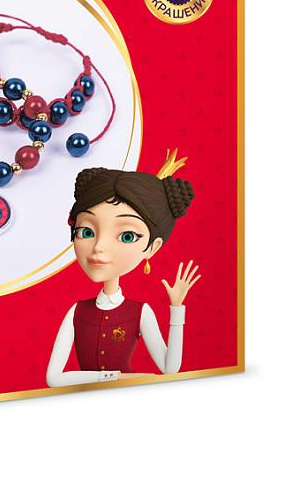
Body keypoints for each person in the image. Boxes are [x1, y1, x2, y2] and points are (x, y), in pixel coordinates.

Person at [46, 155, 200, 387]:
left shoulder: (140, 312)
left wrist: (177, 308)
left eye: (127, 236)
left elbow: (170, 368)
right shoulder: (77, 312)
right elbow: (54, 378)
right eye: (86, 232)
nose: (98, 247)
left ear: (152, 247)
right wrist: (116, 377)